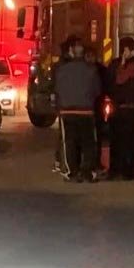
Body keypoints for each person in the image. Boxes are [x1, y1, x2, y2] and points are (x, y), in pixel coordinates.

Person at [53, 37, 103, 183]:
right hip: (86, 111)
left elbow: (57, 89)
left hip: (67, 112)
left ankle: (71, 173)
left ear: (70, 51)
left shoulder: (62, 70)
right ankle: (88, 172)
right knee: (88, 144)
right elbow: (97, 90)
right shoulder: (91, 70)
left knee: (69, 143)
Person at [107, 37, 134, 180]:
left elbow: (119, 79)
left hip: (125, 107)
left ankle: (123, 170)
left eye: (125, 50)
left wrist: (122, 63)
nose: (123, 52)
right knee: (133, 141)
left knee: (121, 140)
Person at [51, 36, 76, 174]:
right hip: (67, 105)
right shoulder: (66, 66)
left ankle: (60, 161)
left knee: (64, 134)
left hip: (64, 104)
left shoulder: (59, 66)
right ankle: (62, 162)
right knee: (65, 136)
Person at [85, 47, 109, 177]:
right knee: (96, 137)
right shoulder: (100, 70)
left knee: (88, 137)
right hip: (96, 106)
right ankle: (95, 163)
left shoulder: (86, 70)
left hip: (89, 107)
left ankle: (90, 164)